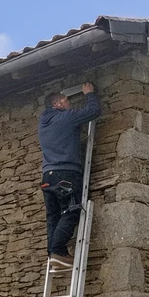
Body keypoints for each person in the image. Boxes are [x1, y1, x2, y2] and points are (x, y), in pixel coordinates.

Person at [37, 82, 102, 265]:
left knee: (53, 216)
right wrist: (89, 94)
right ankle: (58, 250)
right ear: (56, 104)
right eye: (66, 100)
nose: (69, 103)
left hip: (47, 177)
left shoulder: (43, 122)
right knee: (72, 211)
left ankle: (54, 254)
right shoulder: (65, 117)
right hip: (66, 174)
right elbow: (93, 111)